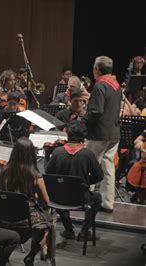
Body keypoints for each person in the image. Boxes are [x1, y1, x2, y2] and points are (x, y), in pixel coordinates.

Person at [0, 137, 55, 265]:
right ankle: (34, 253)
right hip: (26, 218)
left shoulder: (4, 172)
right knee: (50, 222)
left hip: (5, 216)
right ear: (31, 155)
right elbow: (46, 200)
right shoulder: (35, 175)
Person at [46, 121, 103, 241]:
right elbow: (99, 176)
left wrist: (47, 155)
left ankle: (68, 230)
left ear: (68, 135)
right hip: (81, 198)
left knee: (59, 194)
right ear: (83, 137)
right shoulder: (88, 153)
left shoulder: (57, 152)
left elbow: (48, 174)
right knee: (97, 198)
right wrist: (86, 182)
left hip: (60, 198)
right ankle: (84, 232)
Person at [84, 56, 122, 213]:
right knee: (108, 167)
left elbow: (96, 111)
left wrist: (83, 121)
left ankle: (86, 199)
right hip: (114, 133)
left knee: (88, 165)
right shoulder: (116, 85)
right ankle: (107, 202)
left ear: (97, 69)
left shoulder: (100, 86)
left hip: (99, 134)